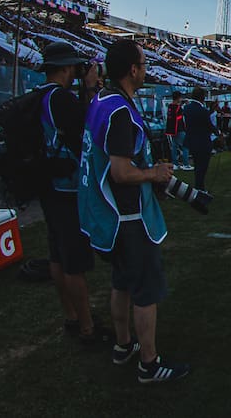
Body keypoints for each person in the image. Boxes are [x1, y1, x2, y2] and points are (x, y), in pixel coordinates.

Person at [78, 39, 190, 383]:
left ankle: (123, 344)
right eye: (143, 64)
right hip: (127, 218)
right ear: (132, 69)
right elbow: (121, 172)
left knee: (122, 283)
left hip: (108, 218)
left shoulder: (102, 100)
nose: (145, 70)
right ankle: (149, 364)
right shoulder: (120, 111)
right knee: (145, 291)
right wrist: (154, 174)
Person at [36, 42, 106, 343]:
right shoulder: (60, 99)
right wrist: (90, 89)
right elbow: (88, 128)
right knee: (74, 261)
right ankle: (87, 327)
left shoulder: (40, 95)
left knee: (57, 255)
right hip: (66, 187)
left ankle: (71, 316)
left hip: (48, 185)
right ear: (66, 67)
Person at [182, 87, 219, 190]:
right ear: (202, 97)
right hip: (203, 142)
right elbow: (209, 125)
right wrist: (218, 132)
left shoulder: (186, 108)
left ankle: (198, 186)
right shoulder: (203, 111)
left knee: (197, 165)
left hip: (192, 141)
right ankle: (200, 187)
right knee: (202, 167)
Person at [164, 91, 191, 171]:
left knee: (174, 147)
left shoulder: (170, 106)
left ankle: (175, 164)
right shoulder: (178, 108)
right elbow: (183, 114)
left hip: (172, 130)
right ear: (179, 98)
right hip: (179, 129)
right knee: (185, 146)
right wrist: (186, 104)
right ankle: (186, 164)